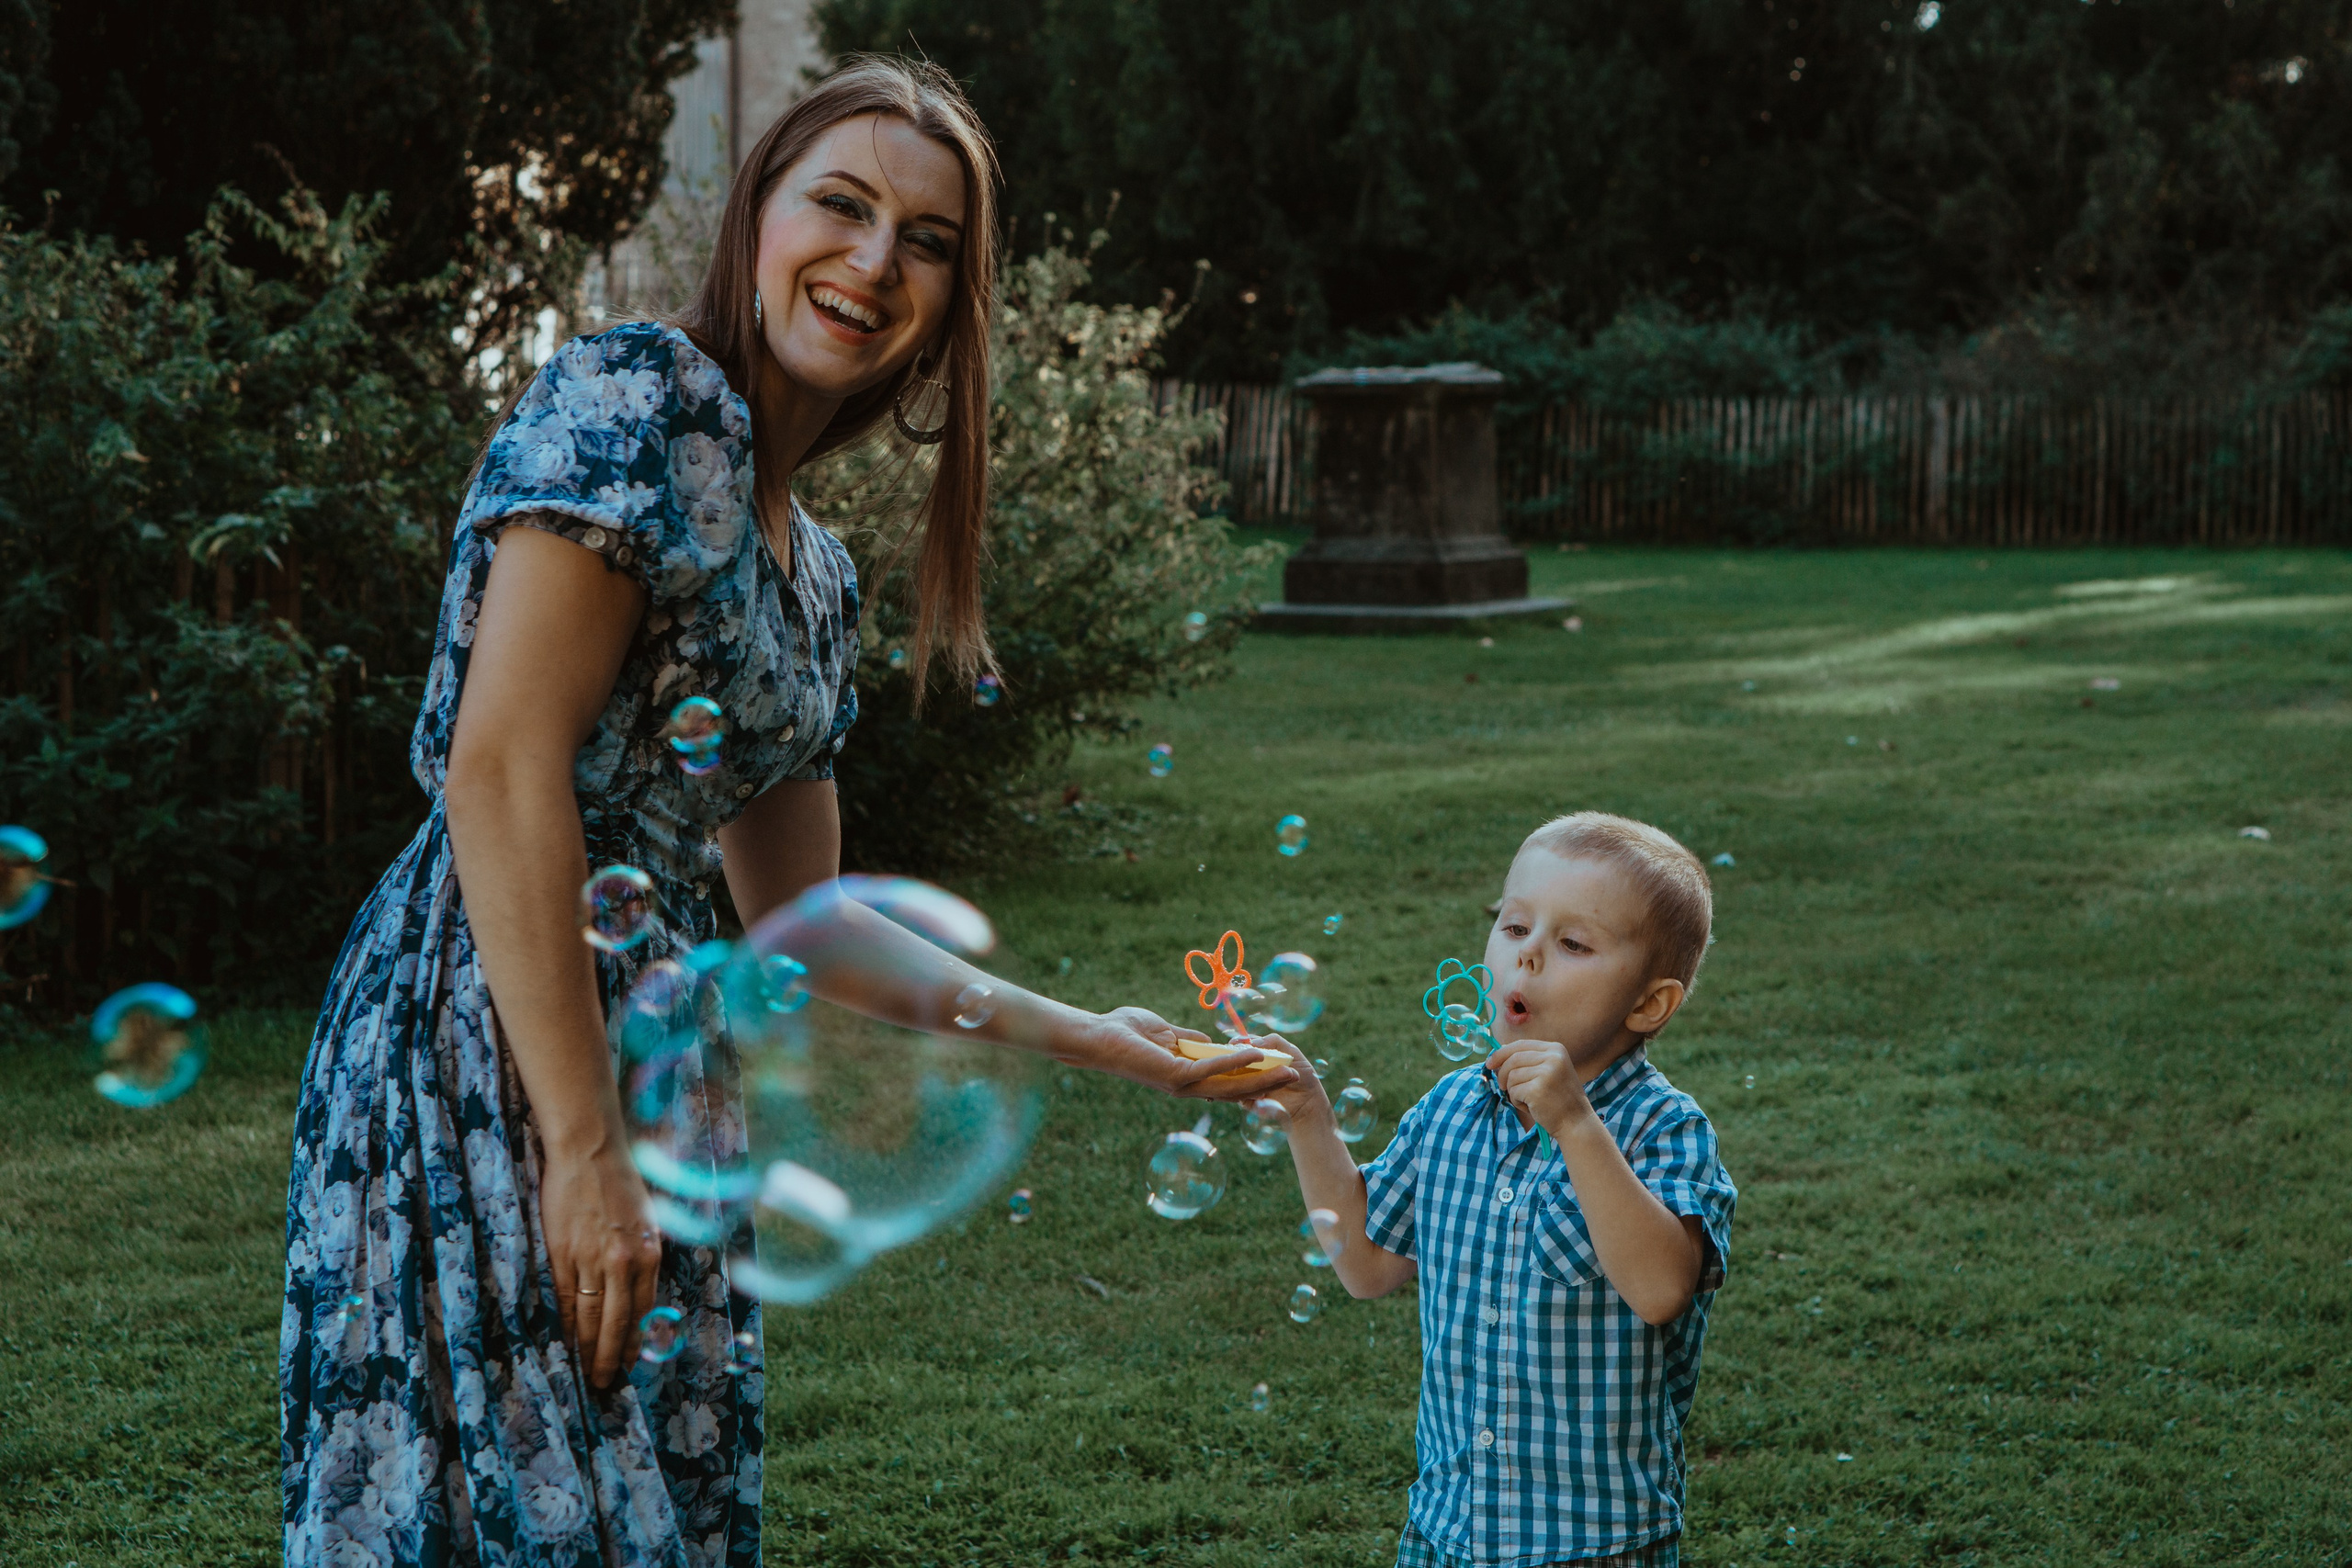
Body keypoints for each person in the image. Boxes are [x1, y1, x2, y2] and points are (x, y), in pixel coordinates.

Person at [278, 57, 1293, 1568]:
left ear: (955, 296)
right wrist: (579, 1147)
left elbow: (806, 932)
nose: (875, 261)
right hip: (490, 1039)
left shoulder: (811, 575)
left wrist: (1098, 1034)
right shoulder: (637, 399)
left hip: (662, 1069)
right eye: (842, 202)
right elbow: (501, 771)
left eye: (929, 239)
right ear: (758, 213)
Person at [1264, 812, 1736, 1568]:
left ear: (1649, 1004)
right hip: (1445, 1532)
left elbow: (1659, 1289)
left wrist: (1576, 1125)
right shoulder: (1452, 1111)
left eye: (1573, 943)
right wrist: (1308, 1114)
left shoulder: (1664, 1129)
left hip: (1595, 1543)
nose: (1529, 957)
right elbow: (1366, 1262)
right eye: (1514, 926)